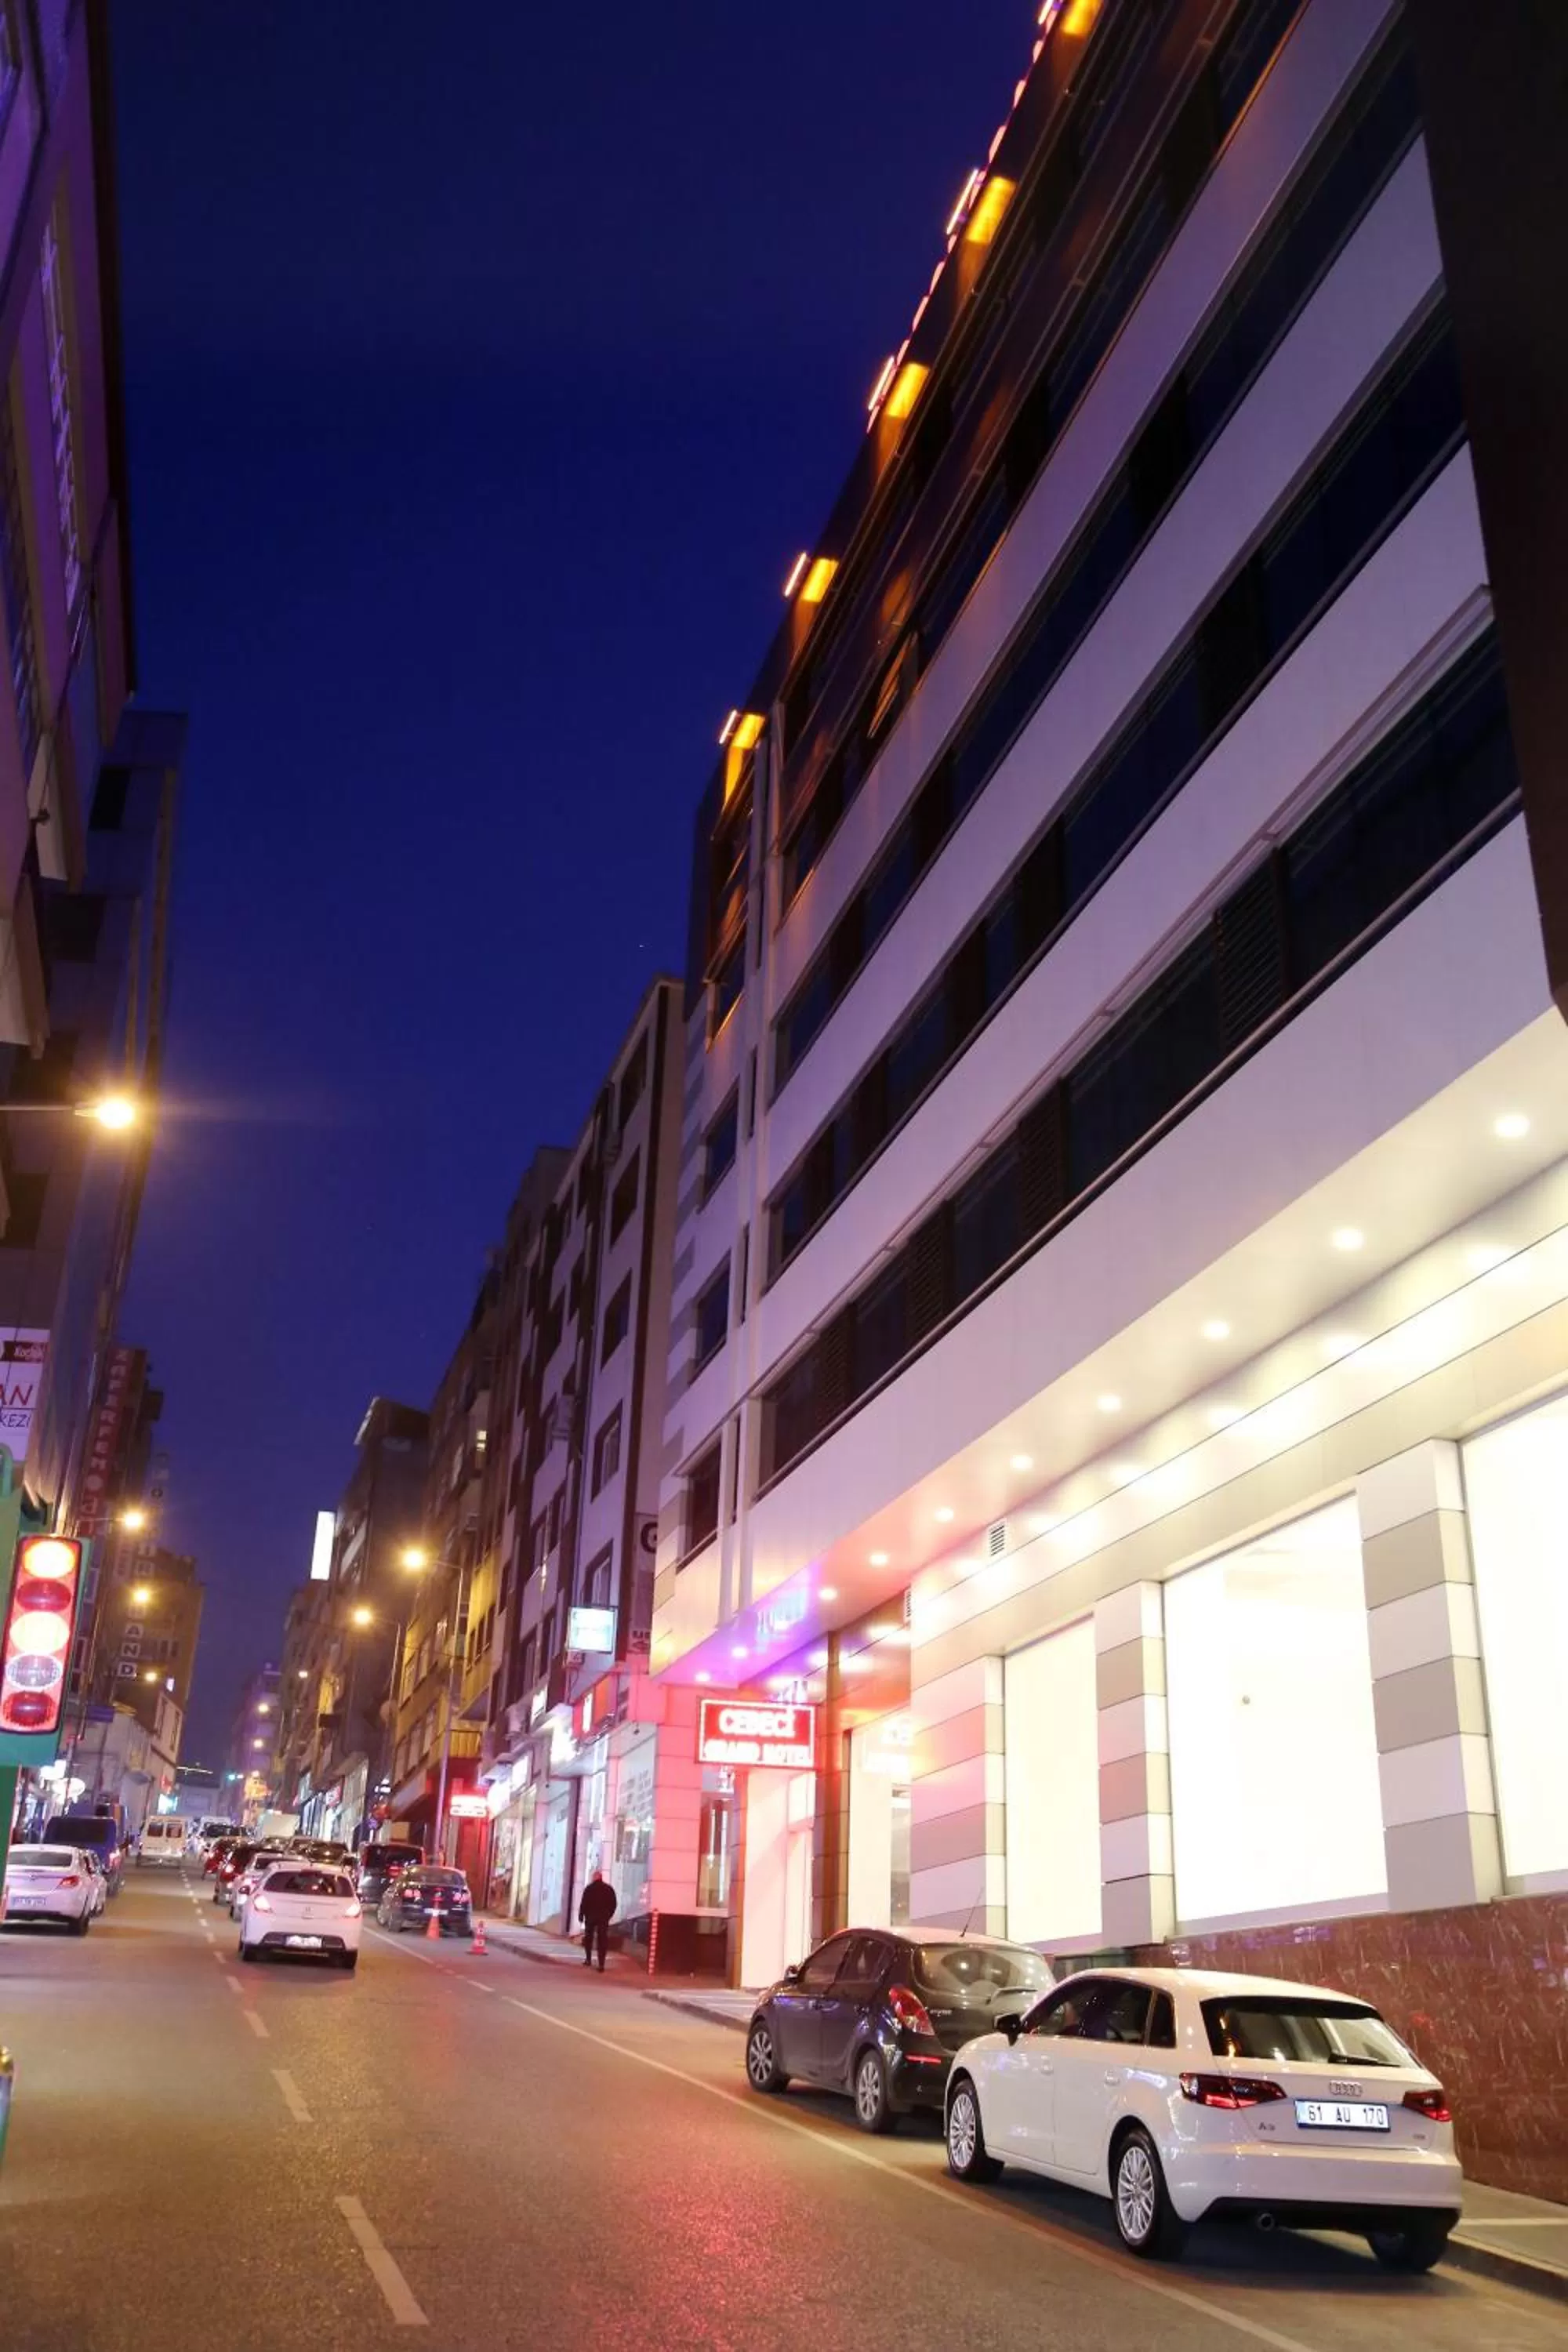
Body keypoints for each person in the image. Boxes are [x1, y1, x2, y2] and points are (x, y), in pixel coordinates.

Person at [578, 1868, 616, 1971]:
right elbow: (613, 1904)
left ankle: (588, 1959)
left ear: (594, 1878)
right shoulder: (608, 1889)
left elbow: (584, 1903)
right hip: (603, 1918)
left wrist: (581, 1916)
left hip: (590, 1917)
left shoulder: (589, 1889)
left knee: (589, 1938)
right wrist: (609, 1915)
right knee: (602, 1940)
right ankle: (601, 1964)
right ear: (601, 1878)